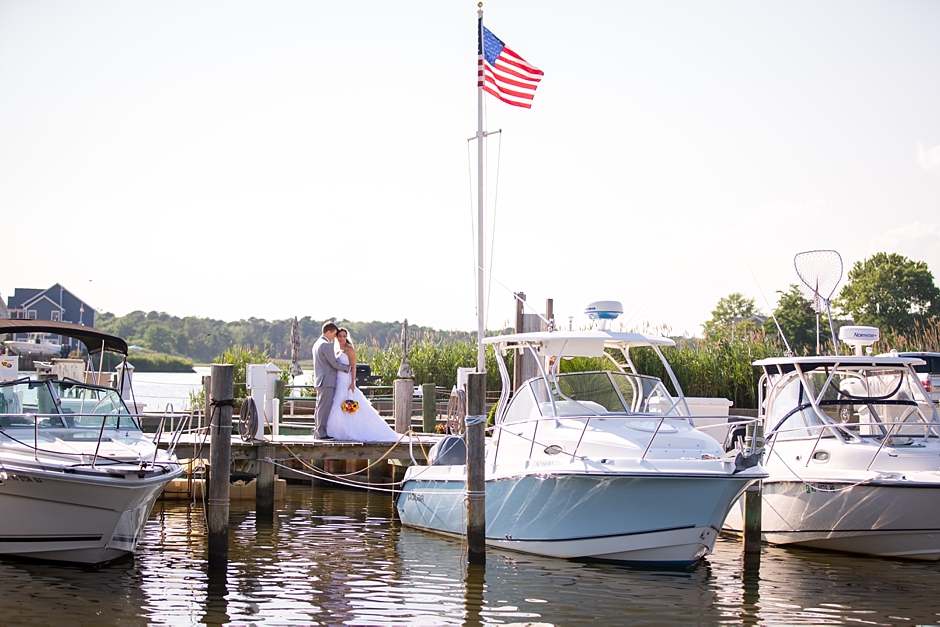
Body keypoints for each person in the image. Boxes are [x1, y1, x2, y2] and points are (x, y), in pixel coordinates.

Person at [327, 328, 399, 442]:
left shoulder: (349, 349)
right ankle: (337, 431)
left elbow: (354, 366)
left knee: (347, 401)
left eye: (344, 336)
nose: (342, 338)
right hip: (338, 379)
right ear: (336, 337)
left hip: (346, 379)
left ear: (346, 337)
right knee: (337, 404)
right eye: (339, 336)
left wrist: (352, 382)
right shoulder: (336, 349)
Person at [312, 321, 350, 440]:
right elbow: (333, 362)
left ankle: (317, 431)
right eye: (334, 334)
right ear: (328, 332)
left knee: (319, 407)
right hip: (327, 380)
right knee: (324, 407)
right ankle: (321, 433)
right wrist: (348, 368)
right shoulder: (326, 345)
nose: (335, 337)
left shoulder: (317, 344)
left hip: (320, 380)